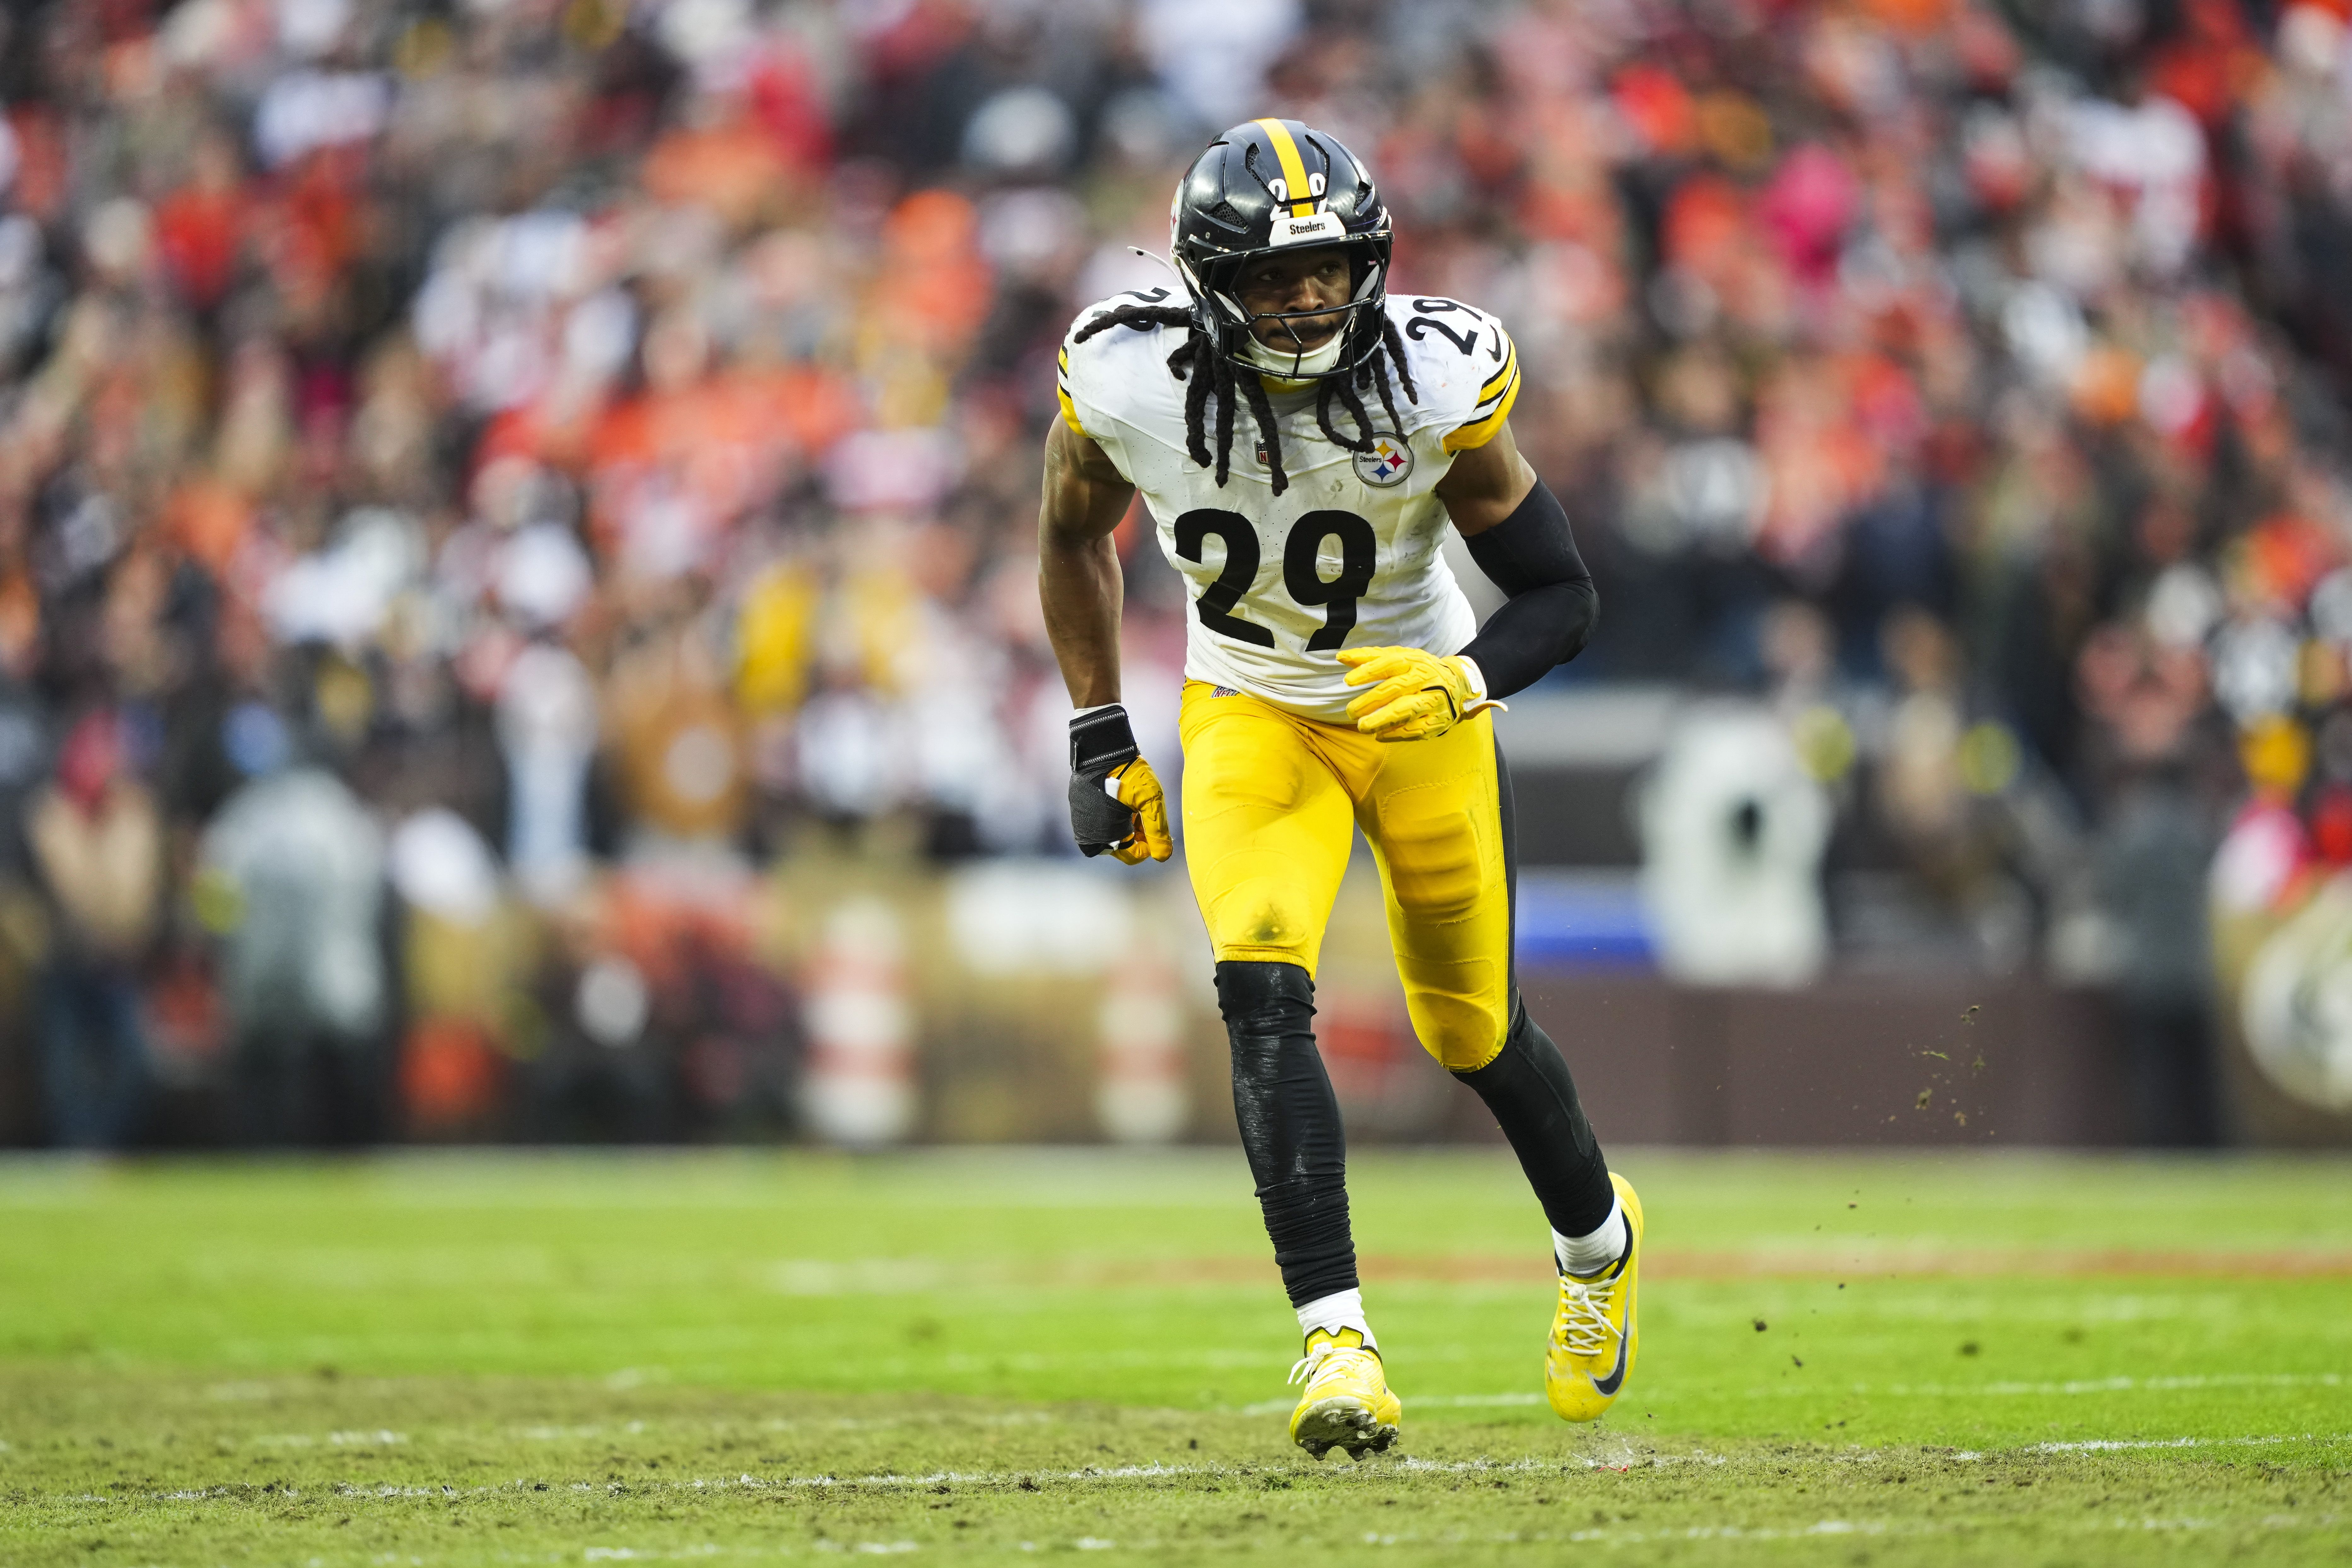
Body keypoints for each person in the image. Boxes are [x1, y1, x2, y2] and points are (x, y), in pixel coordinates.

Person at [1037, 119, 1637, 1459]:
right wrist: (1097, 731)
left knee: (1472, 1032)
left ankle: (1597, 1246)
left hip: (1413, 706)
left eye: (1329, 269)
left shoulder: (1432, 376)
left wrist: (1463, 680)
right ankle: (1335, 1340)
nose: (1308, 300)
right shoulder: (1125, 377)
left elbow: (1561, 592)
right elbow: (1072, 535)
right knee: (1258, 981)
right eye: (1273, 276)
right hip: (1249, 706)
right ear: (1209, 283)